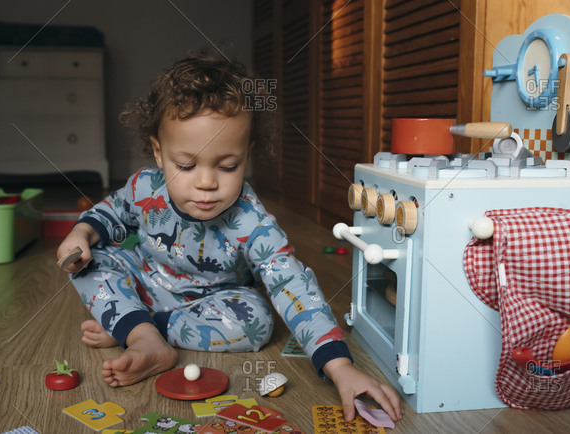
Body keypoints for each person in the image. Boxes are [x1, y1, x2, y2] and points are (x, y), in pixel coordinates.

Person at [57, 52, 402, 422]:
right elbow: (108, 215)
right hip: (144, 279)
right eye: (186, 165)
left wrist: (339, 366)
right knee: (89, 262)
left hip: (215, 303)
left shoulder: (252, 221)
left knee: (259, 322)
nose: (206, 183)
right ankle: (135, 326)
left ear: (247, 156)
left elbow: (293, 286)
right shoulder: (144, 187)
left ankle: (136, 327)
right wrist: (81, 233)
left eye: (227, 166)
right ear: (159, 153)